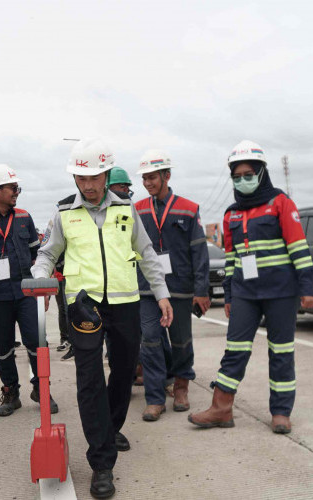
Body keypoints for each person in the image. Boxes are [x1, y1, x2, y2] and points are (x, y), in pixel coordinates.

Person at [32, 138, 172, 499]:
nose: (89, 185)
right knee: (89, 379)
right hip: (83, 305)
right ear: (75, 179)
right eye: (81, 178)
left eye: (95, 177)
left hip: (125, 302)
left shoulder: (126, 209)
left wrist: (162, 293)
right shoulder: (64, 213)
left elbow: (146, 252)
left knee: (125, 372)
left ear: (107, 175)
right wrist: (39, 280)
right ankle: (102, 462)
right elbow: (47, 253)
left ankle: (110, 429)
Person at [189, 140, 313, 435]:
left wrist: (307, 287)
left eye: (249, 174)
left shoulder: (281, 203)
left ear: (261, 173)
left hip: (281, 292)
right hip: (246, 294)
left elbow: (299, 248)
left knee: (281, 351)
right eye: (237, 176)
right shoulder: (231, 213)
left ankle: (281, 411)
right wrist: (231, 296)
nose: (243, 180)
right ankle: (221, 408)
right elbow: (232, 259)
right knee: (235, 349)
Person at [0, 164, 58, 417]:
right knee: (3, 347)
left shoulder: (24, 218)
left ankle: (41, 389)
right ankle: (11, 393)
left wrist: (43, 290)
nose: (17, 191)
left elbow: (39, 256)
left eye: (17, 187)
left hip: (26, 294)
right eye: (12, 187)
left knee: (38, 343)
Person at [135, 149, 210, 420]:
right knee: (150, 342)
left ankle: (181, 386)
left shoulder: (189, 209)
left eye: (152, 177)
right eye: (144, 179)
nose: (148, 183)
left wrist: (201, 290)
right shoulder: (137, 209)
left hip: (179, 287)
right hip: (147, 289)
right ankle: (155, 398)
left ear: (167, 175)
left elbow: (199, 252)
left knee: (180, 341)